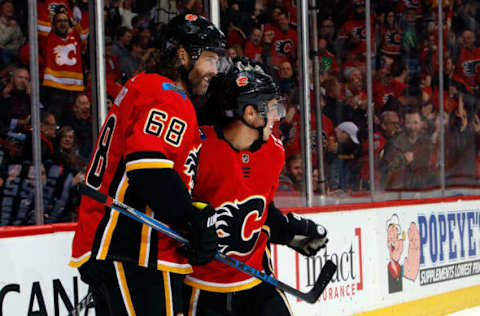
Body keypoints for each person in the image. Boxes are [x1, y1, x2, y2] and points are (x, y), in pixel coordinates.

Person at [70, 13, 226, 316]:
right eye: (209, 59)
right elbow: (149, 169)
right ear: (183, 55)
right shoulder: (169, 97)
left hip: (114, 247)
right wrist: (192, 223)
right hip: (135, 251)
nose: (214, 70)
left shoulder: (145, 86)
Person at [183, 57, 328, 316]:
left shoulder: (274, 151)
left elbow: (261, 209)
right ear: (250, 114)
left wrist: (289, 231)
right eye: (271, 109)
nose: (277, 117)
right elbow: (175, 204)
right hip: (202, 287)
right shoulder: (198, 145)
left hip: (257, 282)